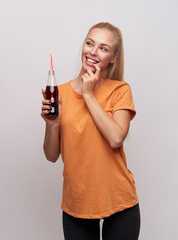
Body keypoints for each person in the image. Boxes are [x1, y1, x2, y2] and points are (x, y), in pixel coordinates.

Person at [41, 22, 140, 240]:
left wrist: (88, 94)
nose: (93, 52)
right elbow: (51, 156)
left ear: (113, 57)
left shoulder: (120, 90)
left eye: (103, 48)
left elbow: (116, 138)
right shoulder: (60, 93)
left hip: (119, 202)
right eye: (90, 43)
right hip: (77, 203)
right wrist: (52, 125)